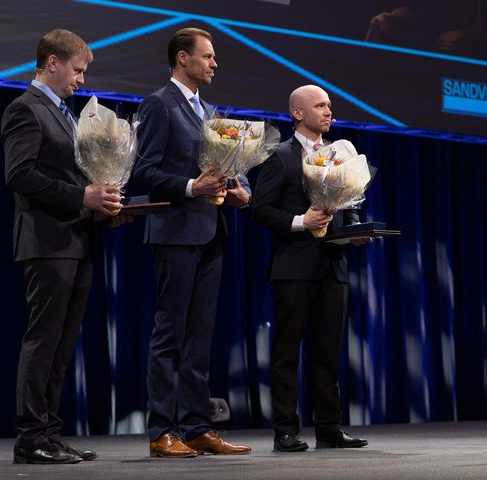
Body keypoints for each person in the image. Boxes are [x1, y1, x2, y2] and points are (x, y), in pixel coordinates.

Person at [2, 29, 127, 464]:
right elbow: (19, 175)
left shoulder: (67, 116)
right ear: (52, 63)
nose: (81, 81)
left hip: (78, 239)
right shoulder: (25, 109)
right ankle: (30, 436)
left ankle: (49, 433)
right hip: (48, 242)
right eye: (77, 70)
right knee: (43, 341)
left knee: (62, 344)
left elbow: (76, 177)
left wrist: (103, 204)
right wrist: (82, 197)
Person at [131, 27, 251, 458]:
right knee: (170, 335)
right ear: (183, 59)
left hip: (211, 233)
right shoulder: (158, 105)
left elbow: (229, 168)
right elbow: (142, 172)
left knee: (200, 337)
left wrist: (241, 191)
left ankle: (197, 426)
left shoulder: (212, 113)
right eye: (207, 56)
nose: (214, 63)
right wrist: (189, 187)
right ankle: (163, 430)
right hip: (175, 233)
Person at [251, 85, 370, 453]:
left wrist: (355, 230)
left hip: (333, 266)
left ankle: (329, 428)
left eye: (330, 106)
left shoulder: (339, 155)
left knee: (328, 352)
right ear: (298, 113)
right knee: (287, 353)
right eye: (320, 105)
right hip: (294, 267)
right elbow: (259, 210)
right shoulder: (279, 157)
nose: (328, 111)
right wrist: (301, 221)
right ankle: (285, 430)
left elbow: (349, 203)